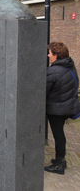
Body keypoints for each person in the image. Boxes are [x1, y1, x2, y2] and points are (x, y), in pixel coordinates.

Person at [44, 42, 80, 175]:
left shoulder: (53, 70)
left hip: (58, 109)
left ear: (56, 55)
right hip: (68, 106)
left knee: (58, 135)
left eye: (50, 53)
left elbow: (44, 90)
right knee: (60, 134)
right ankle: (61, 160)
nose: (48, 55)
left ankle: (59, 165)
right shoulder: (70, 66)